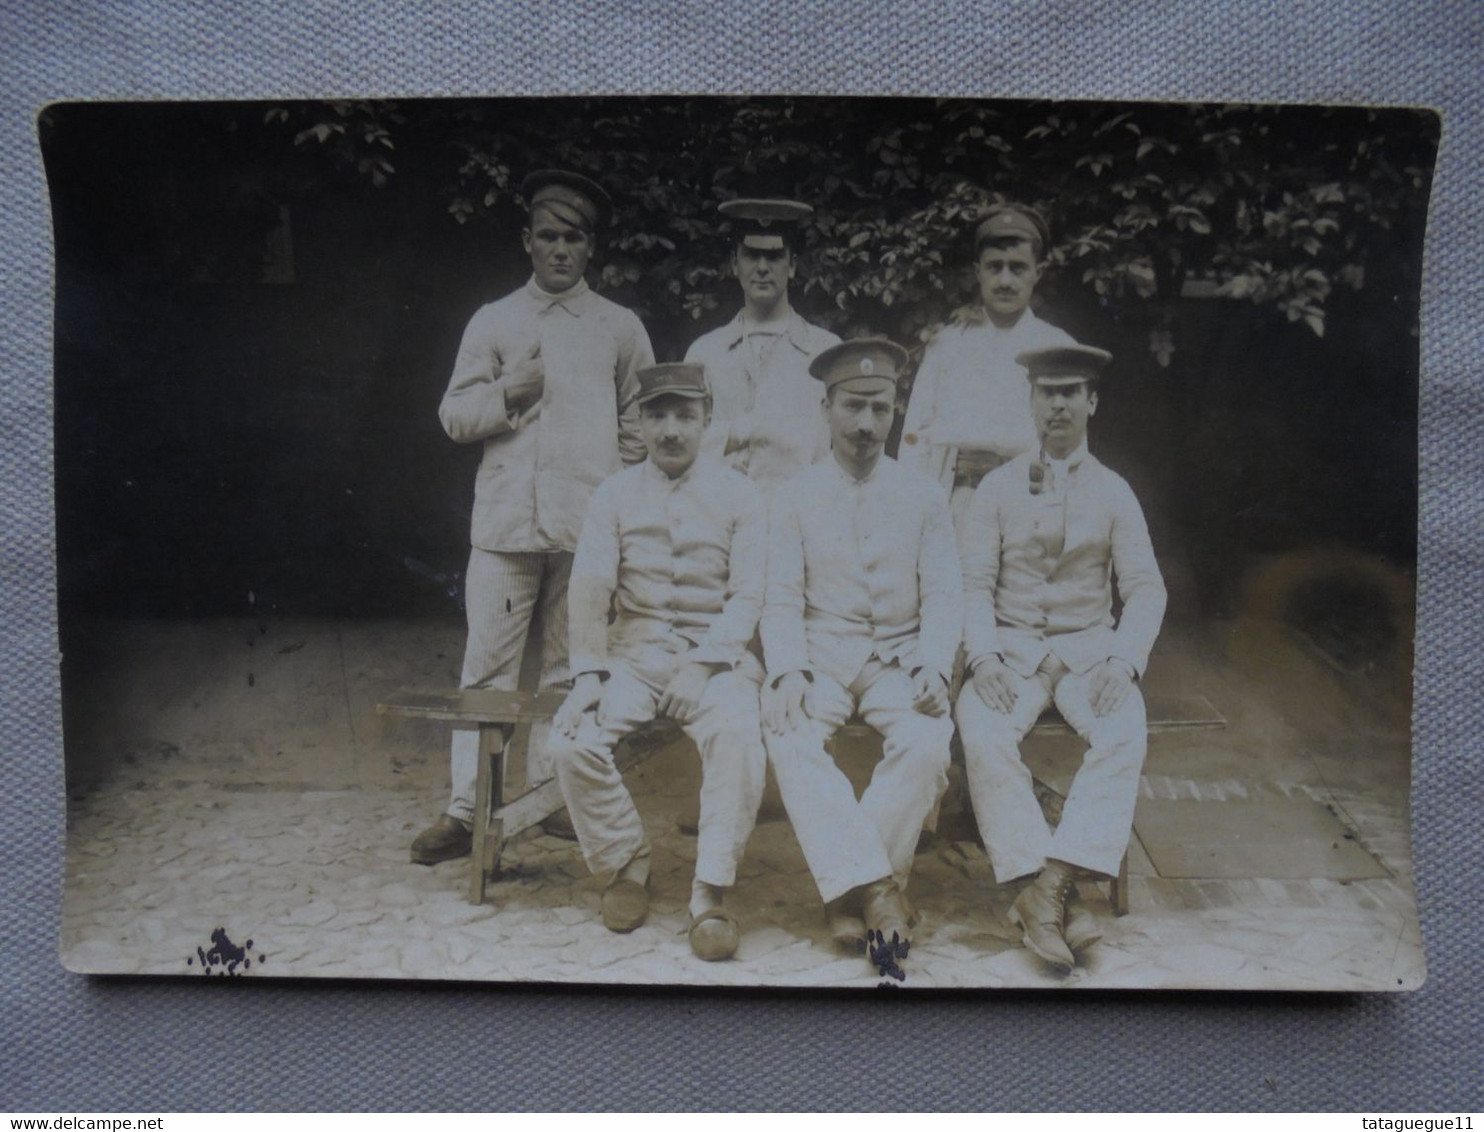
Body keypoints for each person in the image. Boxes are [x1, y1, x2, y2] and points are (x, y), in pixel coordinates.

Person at [411, 170, 654, 865]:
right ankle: (466, 810)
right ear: (527, 241)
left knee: (568, 670)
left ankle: (551, 800)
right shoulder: (494, 321)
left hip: (585, 532)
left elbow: (640, 424)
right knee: (485, 672)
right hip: (506, 529)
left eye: (572, 238)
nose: (558, 249)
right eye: (546, 235)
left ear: (590, 247)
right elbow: (455, 415)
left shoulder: (618, 326)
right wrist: (507, 394)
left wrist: (613, 497)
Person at [955, 344, 1166, 974]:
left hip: (1088, 657)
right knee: (982, 729)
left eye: (1070, 391)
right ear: (1031, 402)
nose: (1058, 404)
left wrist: (1126, 661)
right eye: (1047, 392)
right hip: (1011, 655)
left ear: (1091, 401)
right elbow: (972, 586)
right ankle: (1053, 901)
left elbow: (1147, 588)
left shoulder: (1115, 491)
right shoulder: (995, 488)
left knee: (1125, 729)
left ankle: (1046, 888)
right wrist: (984, 658)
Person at [548, 362, 767, 961]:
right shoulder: (614, 494)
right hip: (633, 656)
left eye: (685, 416)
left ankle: (710, 890)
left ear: (707, 421)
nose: (671, 430)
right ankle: (628, 862)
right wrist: (588, 676)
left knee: (740, 736)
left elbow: (749, 594)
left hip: (716, 661)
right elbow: (590, 587)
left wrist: (703, 664)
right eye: (658, 415)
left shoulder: (740, 494)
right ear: (639, 421)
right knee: (569, 741)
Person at [760, 338, 962, 963]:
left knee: (928, 744)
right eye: (853, 406)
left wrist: (933, 662)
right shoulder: (794, 495)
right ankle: (878, 890)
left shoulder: (923, 494)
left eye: (879, 407)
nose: (865, 423)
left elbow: (946, 592)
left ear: (895, 409)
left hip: (898, 659)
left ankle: (846, 893)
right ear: (827, 408)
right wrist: (789, 668)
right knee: (788, 734)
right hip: (820, 657)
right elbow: (781, 597)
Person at [899, 202, 1076, 543]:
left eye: (1018, 268)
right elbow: (915, 440)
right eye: (995, 267)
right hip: (957, 502)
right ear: (977, 271)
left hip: (1031, 505)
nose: (1005, 280)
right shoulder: (946, 346)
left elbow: (1071, 449)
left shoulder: (1057, 349)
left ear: (1038, 272)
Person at [684, 198, 840, 492]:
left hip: (799, 516)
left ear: (792, 265)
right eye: (752, 255)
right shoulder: (704, 353)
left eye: (774, 256)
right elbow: (685, 441)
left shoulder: (826, 351)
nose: (762, 268)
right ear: (734, 263)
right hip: (720, 516)